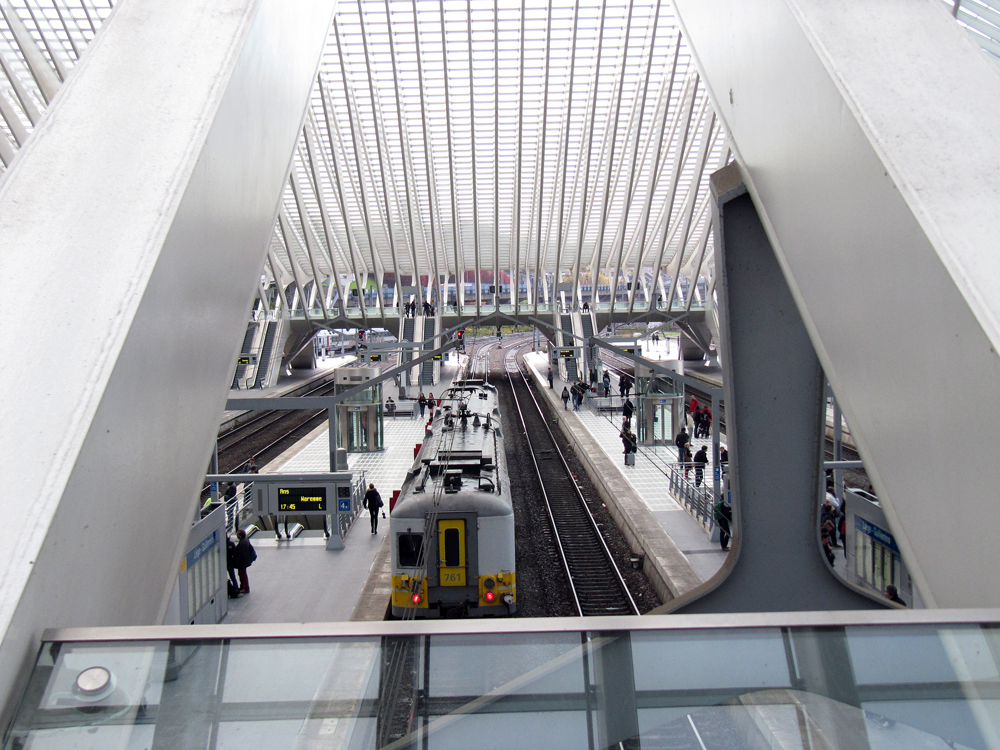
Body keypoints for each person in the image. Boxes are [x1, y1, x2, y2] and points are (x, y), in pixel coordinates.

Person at [235, 529, 256, 594]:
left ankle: (245, 587)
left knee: (242, 574)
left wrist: (237, 561)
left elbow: (242, 553)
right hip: (245, 561)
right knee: (242, 574)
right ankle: (243, 586)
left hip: (242, 562)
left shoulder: (242, 543)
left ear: (240, 535)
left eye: (238, 534)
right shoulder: (246, 540)